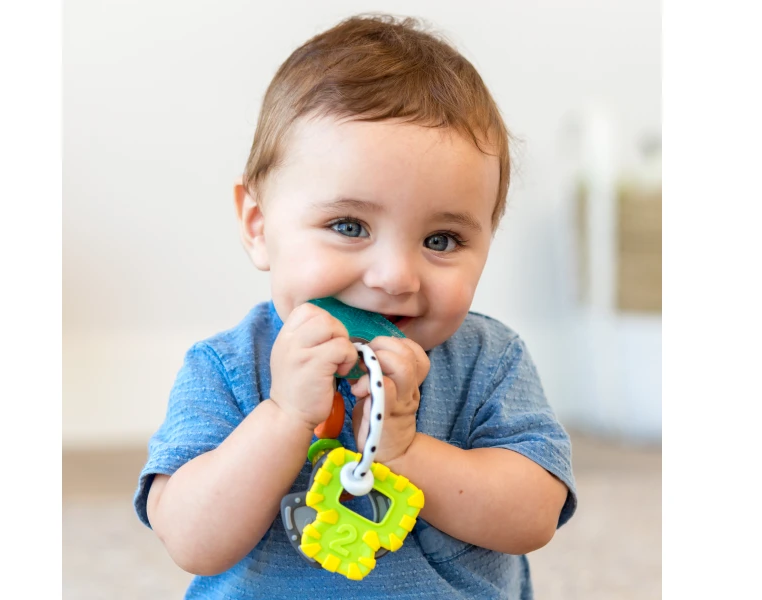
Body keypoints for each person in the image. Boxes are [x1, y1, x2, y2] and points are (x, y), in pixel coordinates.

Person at [133, 14, 577, 599]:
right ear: (259, 226)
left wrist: (406, 452)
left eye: (441, 240)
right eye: (349, 226)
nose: (395, 278)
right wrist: (283, 416)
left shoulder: (490, 361)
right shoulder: (227, 366)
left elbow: (534, 516)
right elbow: (191, 539)